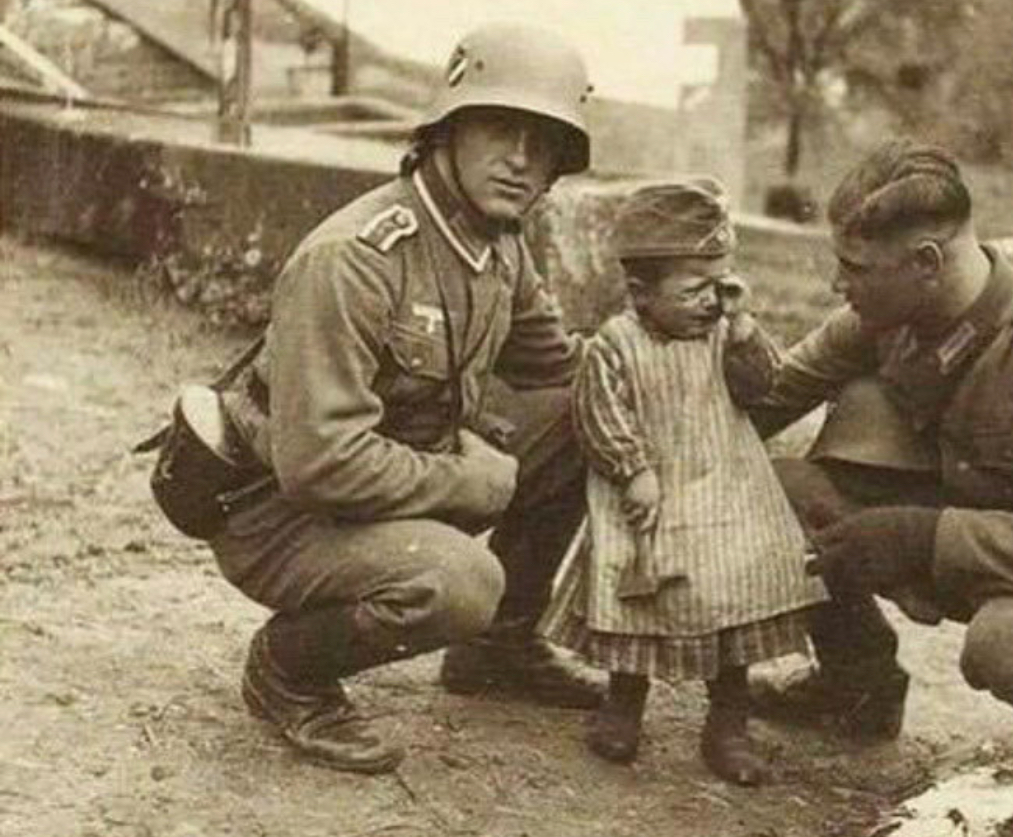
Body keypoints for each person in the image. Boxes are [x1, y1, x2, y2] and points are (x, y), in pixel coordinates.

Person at [727, 138, 1013, 835]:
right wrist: (718, 339)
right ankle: (858, 684)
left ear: (927, 263)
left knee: (1008, 646)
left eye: (854, 267)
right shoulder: (889, 320)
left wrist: (918, 537)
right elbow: (765, 400)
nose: (837, 285)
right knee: (776, 487)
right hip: (989, 525)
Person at [200, 23, 605, 775]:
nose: (521, 158)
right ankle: (289, 670)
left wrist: (678, 355)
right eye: (500, 126)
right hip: (279, 512)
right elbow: (320, 464)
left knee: (591, 416)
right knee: (460, 582)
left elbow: (560, 367)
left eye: (544, 140)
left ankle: (499, 648)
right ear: (447, 130)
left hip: (395, 479)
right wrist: (472, 482)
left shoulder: (497, 242)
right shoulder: (354, 258)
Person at [544, 179, 827, 786]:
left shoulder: (725, 333)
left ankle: (728, 723)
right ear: (641, 292)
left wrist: (744, 325)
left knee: (732, 604)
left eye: (720, 286)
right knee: (639, 601)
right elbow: (599, 412)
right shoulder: (615, 344)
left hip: (724, 493)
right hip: (648, 495)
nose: (710, 303)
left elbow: (763, 387)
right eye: (695, 290)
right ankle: (623, 705)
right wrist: (631, 468)